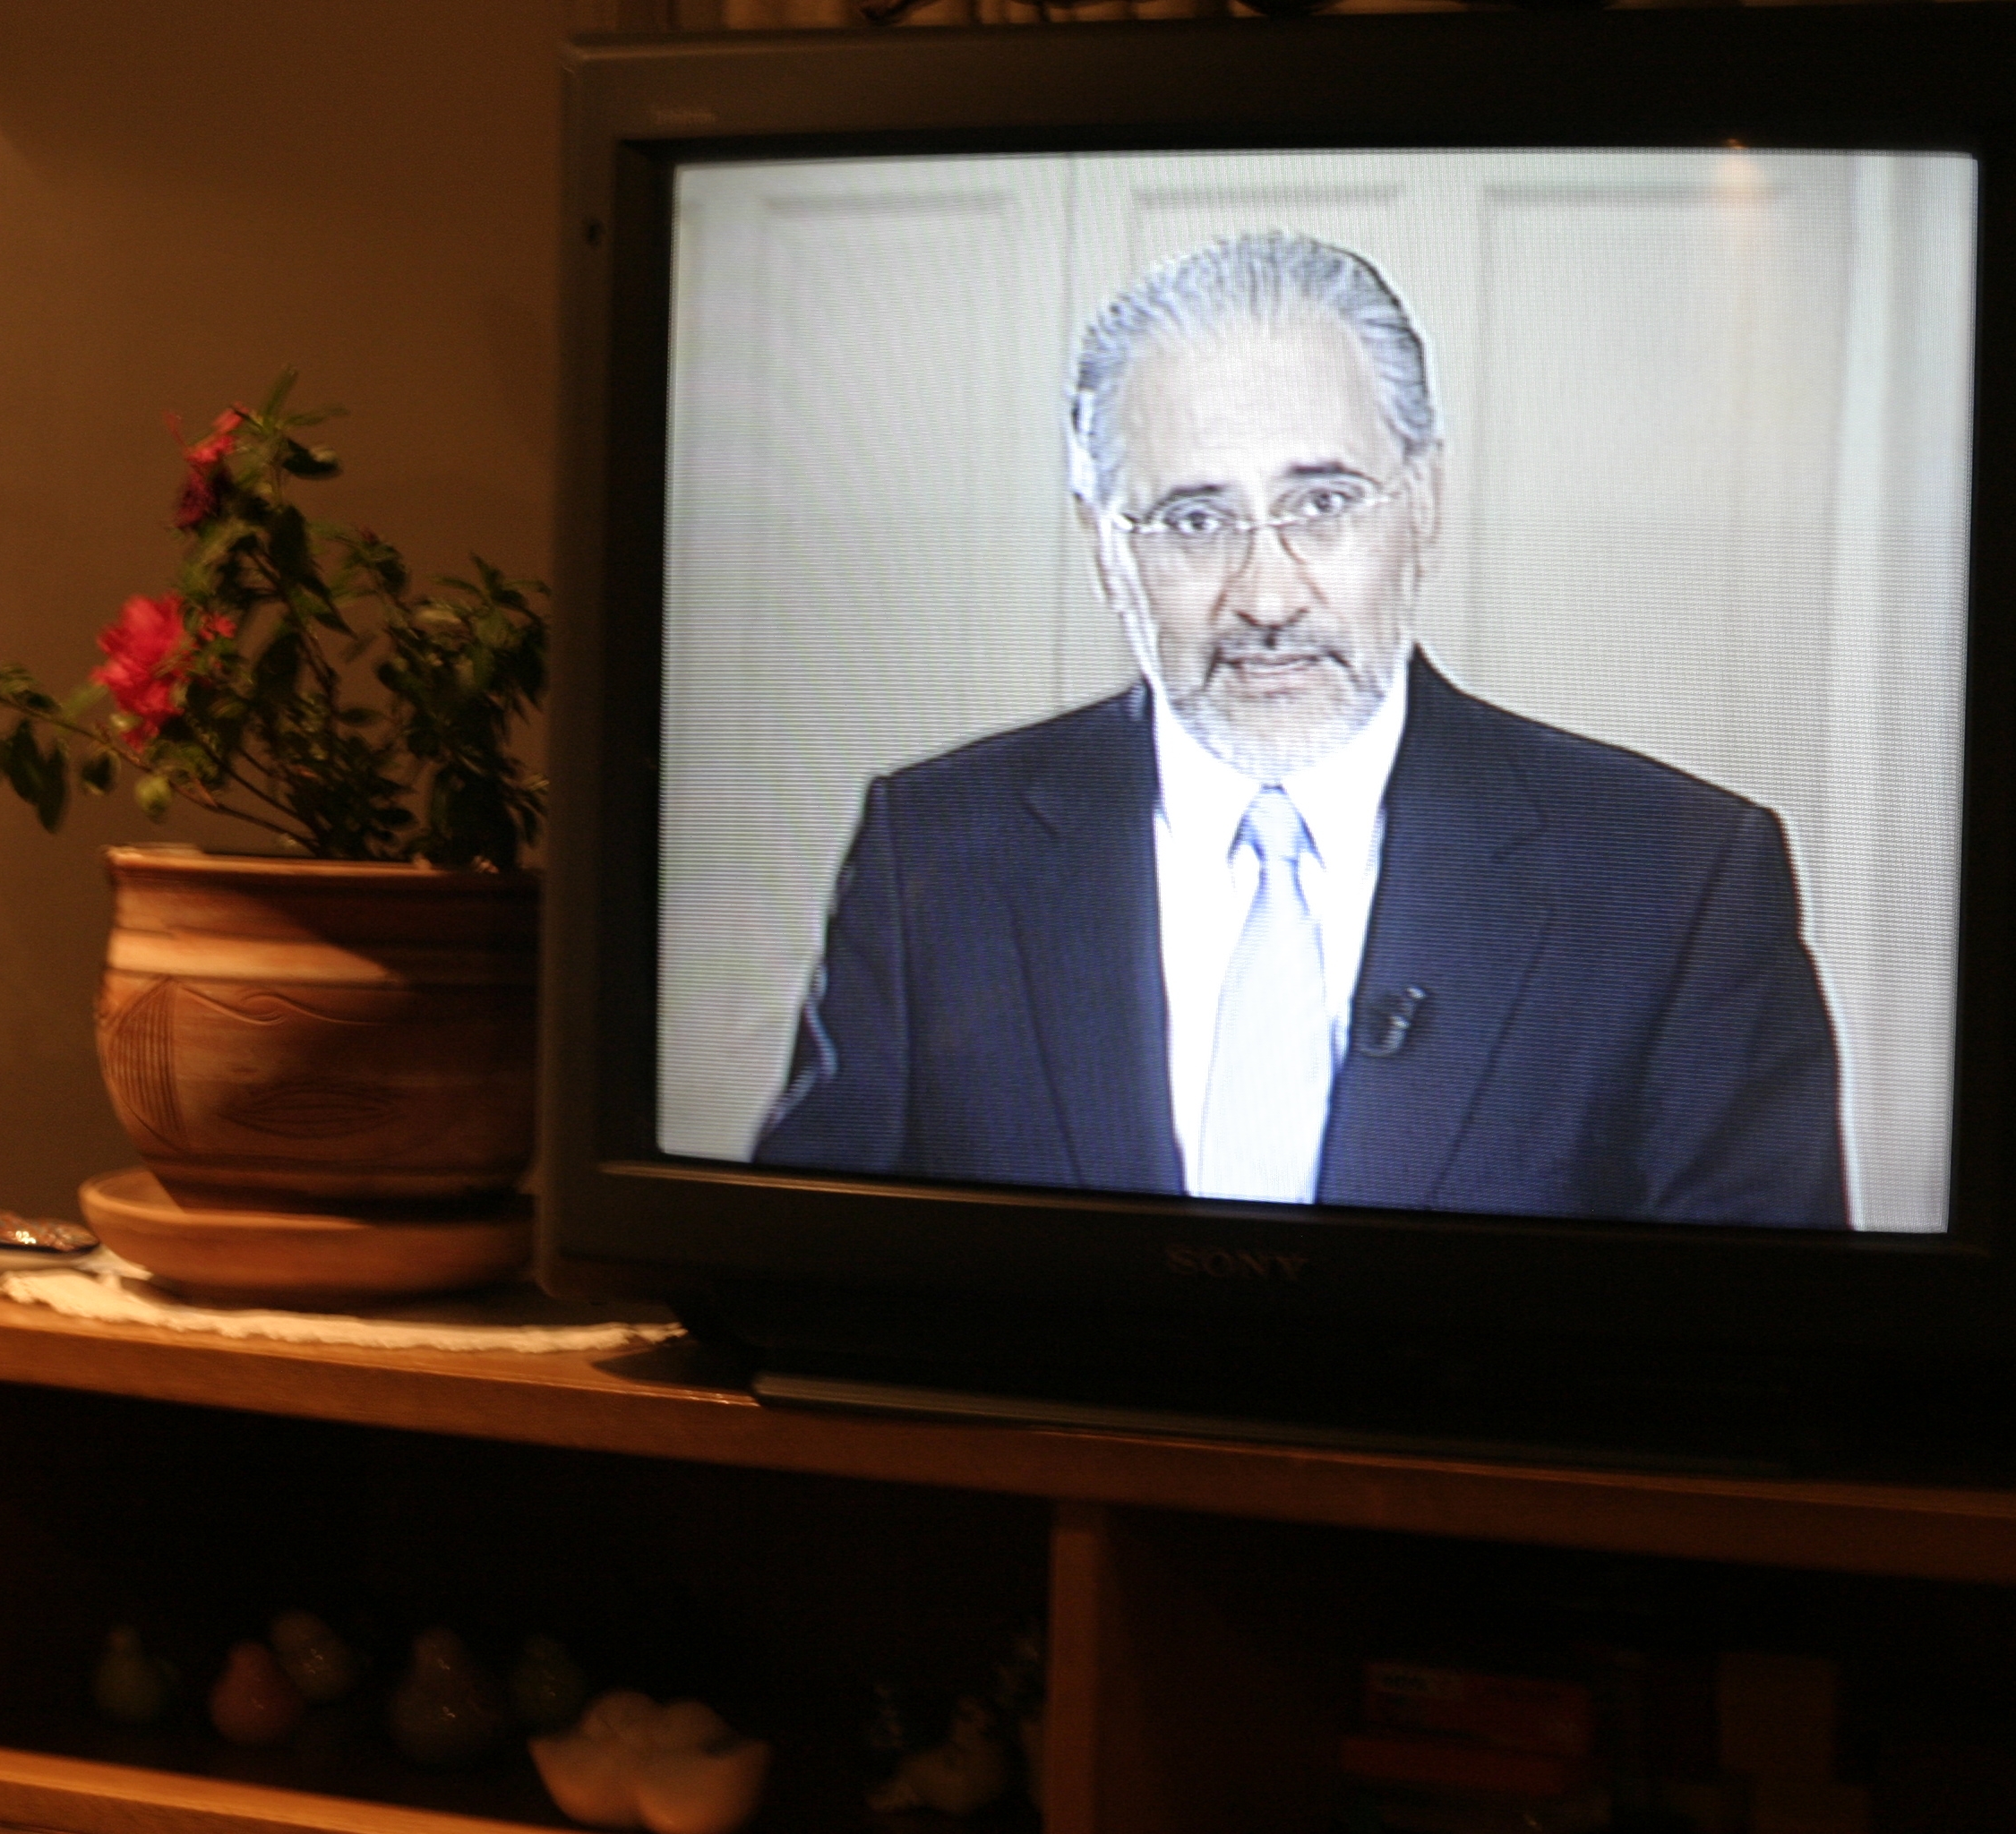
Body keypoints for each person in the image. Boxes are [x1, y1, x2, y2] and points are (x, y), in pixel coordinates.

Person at [752, 231, 1848, 1230]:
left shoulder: (1678, 880)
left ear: (1423, 502)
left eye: (1323, 503)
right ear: (1105, 549)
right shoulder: (933, 845)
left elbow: (1753, 1340)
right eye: (1195, 519)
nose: (1267, 597)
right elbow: (806, 1273)